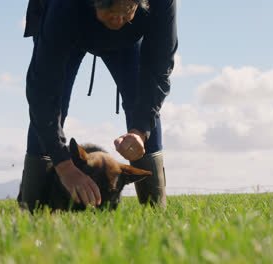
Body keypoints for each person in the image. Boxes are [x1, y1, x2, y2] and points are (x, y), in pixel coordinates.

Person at [17, 0, 177, 210]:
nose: (119, 20)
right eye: (111, 12)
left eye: (127, 10)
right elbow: (43, 92)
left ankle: (156, 207)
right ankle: (31, 207)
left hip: (128, 41)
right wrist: (65, 167)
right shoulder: (62, 8)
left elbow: (158, 68)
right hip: (69, 27)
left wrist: (140, 131)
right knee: (56, 104)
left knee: (141, 100)